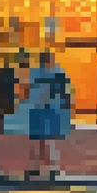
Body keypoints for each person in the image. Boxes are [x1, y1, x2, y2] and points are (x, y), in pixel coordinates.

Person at [26, 51, 71, 180]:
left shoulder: (39, 73)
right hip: (45, 107)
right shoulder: (55, 72)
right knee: (45, 139)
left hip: (44, 107)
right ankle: (45, 167)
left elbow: (32, 90)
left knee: (44, 139)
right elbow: (63, 92)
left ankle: (43, 167)